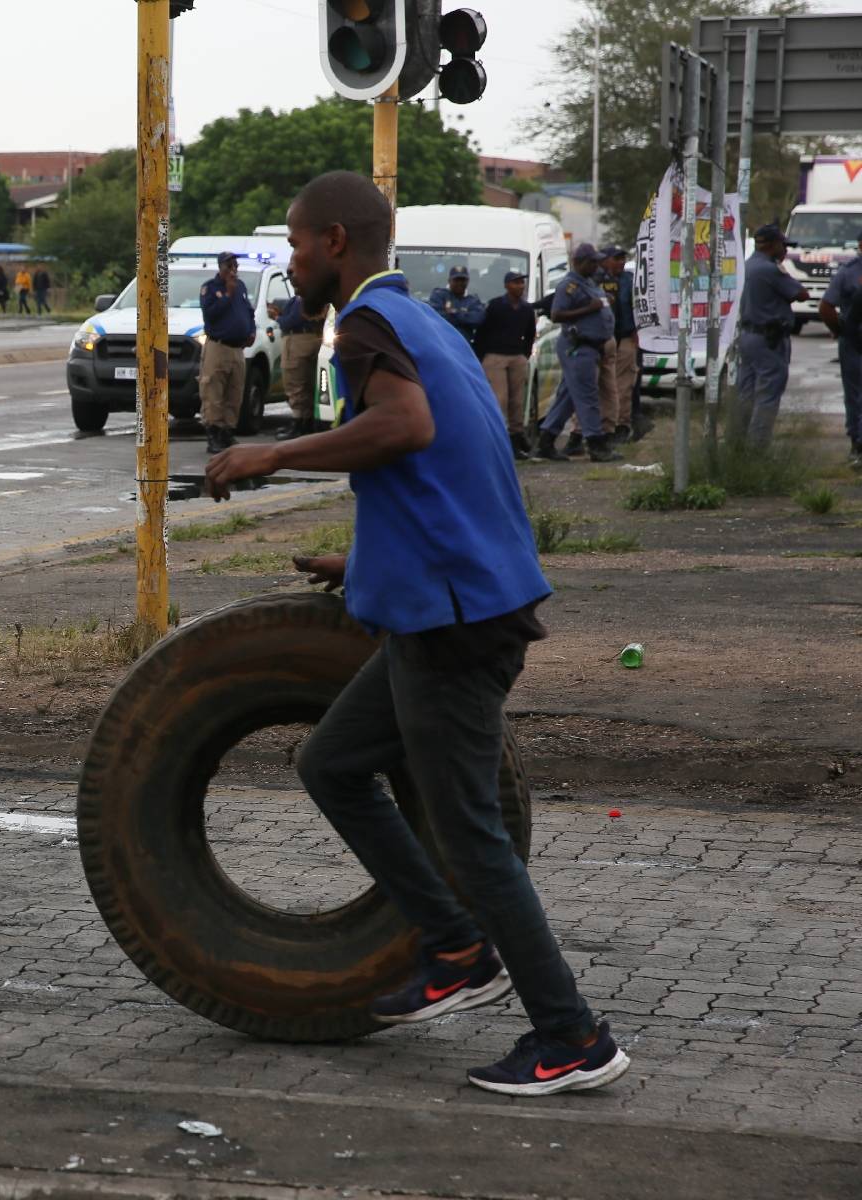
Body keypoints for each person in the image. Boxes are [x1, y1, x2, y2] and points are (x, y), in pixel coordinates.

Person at [206, 170, 630, 1098]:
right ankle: (454, 947)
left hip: (457, 623)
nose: (290, 258)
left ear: (336, 243)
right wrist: (364, 568)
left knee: (470, 830)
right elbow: (449, 471)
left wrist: (271, 452)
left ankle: (571, 1037)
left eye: (296, 240)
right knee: (332, 764)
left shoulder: (365, 327)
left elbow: (406, 428)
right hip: (446, 602)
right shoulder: (422, 321)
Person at [533, 243, 620, 463]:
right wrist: (588, 309)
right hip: (578, 346)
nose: (596, 265)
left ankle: (546, 439)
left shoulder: (589, 282)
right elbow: (556, 314)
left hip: (593, 347)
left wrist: (604, 303)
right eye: (591, 261)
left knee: (568, 396)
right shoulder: (569, 286)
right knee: (588, 396)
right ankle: (596, 445)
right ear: (578, 262)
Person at [735, 224, 812, 449]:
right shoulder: (771, 269)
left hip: (748, 336)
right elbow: (801, 293)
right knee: (767, 395)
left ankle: (737, 445)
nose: (785, 250)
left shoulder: (748, 265)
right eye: (783, 245)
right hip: (769, 340)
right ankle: (757, 450)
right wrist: (783, 269)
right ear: (772, 245)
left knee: (745, 394)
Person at [197, 250, 257, 454]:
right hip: (218, 346)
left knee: (235, 391)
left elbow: (248, 311)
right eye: (229, 266)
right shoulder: (210, 288)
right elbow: (211, 315)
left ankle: (227, 432)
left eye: (235, 266)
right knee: (213, 390)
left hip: (237, 348)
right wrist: (228, 295)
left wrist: (252, 330)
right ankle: (213, 433)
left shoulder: (240, 286)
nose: (233, 270)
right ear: (220, 268)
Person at [476, 270, 538, 459]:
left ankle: (516, 440)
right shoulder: (496, 306)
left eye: (522, 283)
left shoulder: (526, 309)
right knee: (499, 399)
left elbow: (530, 334)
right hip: (495, 357)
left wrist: (524, 355)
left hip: (516, 356)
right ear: (506, 285)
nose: (520, 286)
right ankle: (495, 439)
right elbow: (482, 331)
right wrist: (483, 355)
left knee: (517, 401)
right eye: (516, 282)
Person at [816, 232, 862, 464]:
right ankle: (858, 443)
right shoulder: (848, 272)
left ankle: (858, 443)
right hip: (854, 340)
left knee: (855, 394)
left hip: (853, 339)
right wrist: (841, 330)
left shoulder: (849, 272)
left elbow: (825, 307)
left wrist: (840, 330)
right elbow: (825, 306)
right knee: (855, 395)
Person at [268, 293, 327, 440]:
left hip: (297, 341)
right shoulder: (310, 296)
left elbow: (292, 320)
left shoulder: (303, 298)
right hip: (312, 338)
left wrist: (277, 318)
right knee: (308, 383)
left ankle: (299, 424)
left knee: (294, 382)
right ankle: (306, 423)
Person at [597, 247, 639, 443]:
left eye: (623, 258)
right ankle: (601, 426)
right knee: (601, 386)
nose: (621, 262)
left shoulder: (630, 281)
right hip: (601, 340)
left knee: (623, 385)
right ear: (606, 261)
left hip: (625, 338)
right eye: (616, 259)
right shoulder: (598, 281)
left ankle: (621, 425)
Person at [428, 266, 485, 347]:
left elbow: (477, 319)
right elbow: (436, 317)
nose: (460, 283)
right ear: (449, 281)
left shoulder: (473, 300)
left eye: (463, 280)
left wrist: (454, 313)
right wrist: (464, 315)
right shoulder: (439, 295)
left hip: (464, 346)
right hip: (441, 345)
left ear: (467, 281)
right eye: (456, 280)